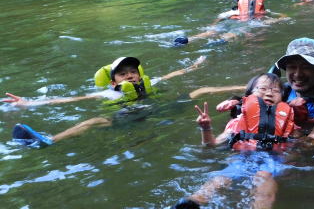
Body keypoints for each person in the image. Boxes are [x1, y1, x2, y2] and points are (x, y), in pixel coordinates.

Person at [172, 73, 314, 209]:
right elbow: (212, 145)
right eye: (263, 89)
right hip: (242, 159)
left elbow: (299, 142)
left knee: (263, 178)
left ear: (282, 98)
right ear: (249, 95)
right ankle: (190, 205)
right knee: (220, 179)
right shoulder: (237, 123)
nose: (269, 93)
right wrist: (206, 128)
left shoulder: (287, 123)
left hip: (273, 159)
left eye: (276, 90)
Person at [4, 56, 206, 146]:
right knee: (94, 121)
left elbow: (173, 74)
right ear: (113, 82)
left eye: (133, 72)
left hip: (156, 111)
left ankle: (238, 91)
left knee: (201, 91)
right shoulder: (110, 94)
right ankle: (50, 140)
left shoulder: (148, 83)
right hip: (127, 119)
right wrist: (29, 103)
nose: (129, 76)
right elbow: (71, 99)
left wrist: (193, 66)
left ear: (139, 74)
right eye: (122, 74)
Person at [175, 0, 287, 45]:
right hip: (233, 22)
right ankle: (189, 39)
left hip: (245, 25)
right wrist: (213, 25)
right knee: (211, 32)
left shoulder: (263, 11)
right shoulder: (233, 11)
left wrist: (271, 21)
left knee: (238, 32)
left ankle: (219, 42)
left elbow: (284, 17)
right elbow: (219, 17)